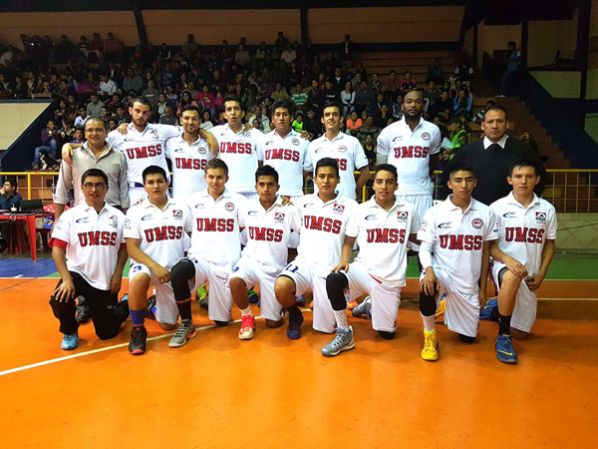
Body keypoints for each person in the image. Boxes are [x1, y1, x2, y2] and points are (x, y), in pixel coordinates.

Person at [416, 163, 526, 362]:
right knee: (426, 285)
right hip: (442, 273)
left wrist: (482, 289)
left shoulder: (485, 213)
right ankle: (430, 336)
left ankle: (448, 304)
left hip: (467, 282)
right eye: (458, 180)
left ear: (475, 182)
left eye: (468, 180)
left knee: (468, 338)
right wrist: (429, 270)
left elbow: (485, 253)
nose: (464, 185)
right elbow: (424, 248)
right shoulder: (435, 212)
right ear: (449, 184)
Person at [321, 165, 419, 356]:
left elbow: (417, 237)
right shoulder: (361, 210)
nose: (384, 186)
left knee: (386, 334)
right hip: (363, 271)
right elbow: (349, 241)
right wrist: (344, 260)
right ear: (373, 185)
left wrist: (440, 246)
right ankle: (344, 333)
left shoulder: (408, 210)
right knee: (334, 279)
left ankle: (369, 305)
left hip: (389, 280)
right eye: (379, 182)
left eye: (389, 182)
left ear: (396, 185)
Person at [275, 158, 358, 339]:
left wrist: (344, 260)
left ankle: (337, 300)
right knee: (281, 286)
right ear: (314, 179)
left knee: (325, 329)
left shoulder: (350, 206)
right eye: (321, 176)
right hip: (304, 264)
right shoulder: (303, 203)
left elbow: (350, 239)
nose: (326, 181)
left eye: (331, 176)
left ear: (338, 179)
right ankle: (295, 314)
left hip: (328, 269)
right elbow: (292, 226)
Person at [482, 160, 557, 363]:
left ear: (537, 180)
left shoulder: (547, 209)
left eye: (529, 176)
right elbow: (490, 246)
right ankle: (503, 336)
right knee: (512, 277)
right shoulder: (497, 208)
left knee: (521, 333)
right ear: (510, 180)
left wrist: (541, 273)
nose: (523, 181)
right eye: (518, 176)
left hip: (529, 273)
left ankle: (496, 307)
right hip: (501, 265)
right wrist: (508, 260)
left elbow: (550, 244)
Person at [49, 168, 129, 350]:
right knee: (59, 299)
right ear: (82, 188)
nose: (94, 189)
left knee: (106, 333)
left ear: (107, 188)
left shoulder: (118, 217)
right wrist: (67, 279)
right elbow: (57, 250)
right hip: (77, 275)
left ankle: (126, 303)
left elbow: (125, 248)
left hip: (105, 280)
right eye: (89, 185)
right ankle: (70, 331)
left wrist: (118, 274)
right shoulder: (70, 215)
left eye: (99, 185)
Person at [168, 159, 246, 346]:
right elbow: (185, 226)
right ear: (205, 177)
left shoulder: (238, 201)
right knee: (178, 271)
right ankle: (187, 323)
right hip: (200, 259)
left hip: (225, 264)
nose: (215, 181)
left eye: (219, 177)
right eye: (211, 177)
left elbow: (247, 226)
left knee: (221, 322)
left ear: (227, 178)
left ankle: (218, 306)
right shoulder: (193, 200)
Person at [124, 165, 193, 355]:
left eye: (160, 181)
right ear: (144, 186)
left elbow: (191, 235)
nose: (156, 186)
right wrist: (155, 266)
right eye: (151, 182)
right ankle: (138, 329)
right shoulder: (135, 211)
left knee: (168, 325)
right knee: (139, 279)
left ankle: (151, 306)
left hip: (172, 272)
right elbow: (131, 248)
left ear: (167, 183)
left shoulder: (181, 208)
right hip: (146, 266)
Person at [230, 165, 302, 339]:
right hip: (250, 261)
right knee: (235, 281)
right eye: (261, 184)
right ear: (255, 187)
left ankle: (281, 307)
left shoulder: (289, 209)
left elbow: (304, 233)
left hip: (274, 268)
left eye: (270, 184)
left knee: (273, 323)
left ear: (278, 187)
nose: (265, 189)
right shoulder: (247, 208)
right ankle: (247, 317)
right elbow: (237, 228)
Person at [445, 105, 546, 205]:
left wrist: (525, 205)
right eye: (490, 122)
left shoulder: (523, 149)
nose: (495, 126)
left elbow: (541, 177)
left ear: (507, 124)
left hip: (513, 211)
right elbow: (447, 177)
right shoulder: (467, 151)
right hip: (476, 211)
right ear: (483, 125)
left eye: (500, 121)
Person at [376, 89, 442, 233]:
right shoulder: (389, 131)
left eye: (417, 102)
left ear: (423, 105)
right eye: (409, 102)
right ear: (402, 106)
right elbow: (381, 166)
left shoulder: (433, 130)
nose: (413, 105)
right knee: (396, 237)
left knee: (422, 238)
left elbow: (433, 162)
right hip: (396, 192)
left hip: (422, 192)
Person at [53, 118, 128, 221]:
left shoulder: (118, 156)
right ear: (85, 134)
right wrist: (57, 220)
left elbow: (124, 189)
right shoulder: (72, 156)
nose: (94, 133)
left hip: (113, 213)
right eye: (90, 130)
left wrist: (126, 216)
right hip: (81, 214)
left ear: (106, 133)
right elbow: (62, 188)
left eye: (99, 130)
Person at [307, 102, 370, 201]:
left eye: (335, 114)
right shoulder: (313, 145)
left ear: (341, 119)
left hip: (347, 200)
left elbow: (365, 172)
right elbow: (307, 171)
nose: (331, 118)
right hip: (320, 202)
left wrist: (355, 190)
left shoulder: (352, 142)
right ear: (322, 119)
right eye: (327, 115)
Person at [210, 95, 265, 198]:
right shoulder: (215, 132)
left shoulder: (255, 134)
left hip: (251, 192)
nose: (233, 112)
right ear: (224, 115)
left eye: (236, 108)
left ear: (242, 113)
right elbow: (196, 131)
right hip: (224, 191)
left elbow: (263, 161)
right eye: (229, 109)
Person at [262, 99, 310, 200]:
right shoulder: (263, 140)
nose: (281, 118)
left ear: (291, 118)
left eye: (285, 114)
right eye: (277, 115)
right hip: (270, 196)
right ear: (272, 119)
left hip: (295, 195)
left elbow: (306, 169)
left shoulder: (303, 140)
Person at [165, 105, 214, 201]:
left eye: (194, 119)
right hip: (179, 200)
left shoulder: (209, 144)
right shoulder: (171, 143)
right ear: (181, 120)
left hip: (203, 201)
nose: (190, 122)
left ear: (200, 121)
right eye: (186, 118)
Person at [0, 178, 23, 252]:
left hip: (11, 220)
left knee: (5, 225)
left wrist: (3, 195)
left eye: (7, 185)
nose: (4, 187)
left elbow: (6, 207)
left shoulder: (17, 197)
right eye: (4, 185)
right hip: (1, 218)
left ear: (13, 187)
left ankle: (3, 245)